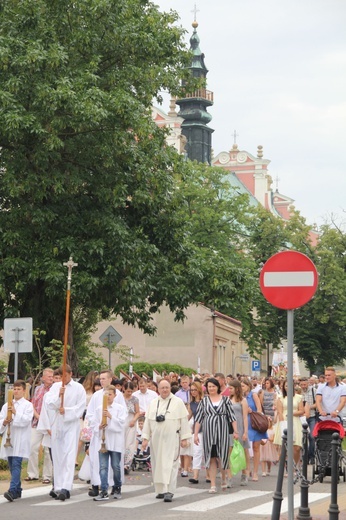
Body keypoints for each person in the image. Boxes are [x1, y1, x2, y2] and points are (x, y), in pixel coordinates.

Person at [141, 379, 191, 503]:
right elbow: (147, 421)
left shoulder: (178, 402)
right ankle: (160, 490)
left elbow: (183, 421)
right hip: (156, 440)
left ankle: (169, 491)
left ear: (170, 388)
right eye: (162, 388)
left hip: (172, 439)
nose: (164, 390)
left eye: (167, 387)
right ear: (158, 389)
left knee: (171, 465)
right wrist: (145, 438)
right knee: (158, 464)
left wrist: (184, 438)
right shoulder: (153, 403)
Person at [44, 365, 86, 501]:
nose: (63, 378)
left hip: (71, 424)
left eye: (65, 376)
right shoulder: (55, 387)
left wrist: (66, 411)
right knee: (57, 455)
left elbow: (81, 407)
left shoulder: (79, 388)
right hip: (57, 424)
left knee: (68, 455)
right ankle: (58, 486)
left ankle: (66, 487)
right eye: (61, 376)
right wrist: (58, 396)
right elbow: (49, 403)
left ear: (70, 374)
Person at [86, 369, 126, 497]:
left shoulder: (118, 395)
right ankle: (99, 486)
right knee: (100, 464)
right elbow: (90, 414)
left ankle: (115, 485)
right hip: (101, 436)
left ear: (110, 379)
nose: (101, 381)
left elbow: (121, 417)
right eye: (100, 379)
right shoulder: (97, 395)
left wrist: (110, 419)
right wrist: (98, 425)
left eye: (104, 378)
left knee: (115, 465)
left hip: (114, 436)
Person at [194, 377, 238, 493]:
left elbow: (232, 417)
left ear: (218, 387)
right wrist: (195, 434)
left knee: (222, 457)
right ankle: (213, 484)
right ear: (207, 388)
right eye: (209, 387)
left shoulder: (225, 400)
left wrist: (235, 431)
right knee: (211, 458)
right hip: (209, 432)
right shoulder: (204, 401)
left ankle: (223, 477)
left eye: (213, 386)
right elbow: (198, 419)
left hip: (222, 431)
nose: (211, 388)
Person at [0, 380, 34, 502]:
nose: (16, 391)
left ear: (24, 391)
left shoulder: (28, 405)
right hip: (10, 438)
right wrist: (4, 422)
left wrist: (15, 413)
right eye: (14, 389)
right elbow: (1, 421)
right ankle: (18, 489)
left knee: (16, 464)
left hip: (21, 439)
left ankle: (12, 490)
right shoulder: (6, 405)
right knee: (11, 465)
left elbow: (26, 420)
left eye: (19, 389)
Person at [25, 368, 54, 484]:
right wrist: (37, 416)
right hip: (36, 422)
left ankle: (47, 475)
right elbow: (32, 404)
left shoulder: (54, 390)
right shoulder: (37, 389)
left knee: (48, 450)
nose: (51, 379)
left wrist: (46, 420)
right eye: (49, 377)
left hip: (49, 424)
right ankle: (32, 473)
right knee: (32, 447)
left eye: (52, 377)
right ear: (43, 378)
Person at [241, 377, 267, 481]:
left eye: (243, 386)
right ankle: (247, 469)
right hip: (244, 423)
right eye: (241, 386)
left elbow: (259, 409)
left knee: (256, 447)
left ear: (248, 386)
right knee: (245, 448)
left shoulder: (254, 395)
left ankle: (255, 472)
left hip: (254, 422)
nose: (241, 388)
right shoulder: (239, 397)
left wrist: (251, 411)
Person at [273, 379, 304, 465]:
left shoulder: (298, 397)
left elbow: (301, 411)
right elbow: (280, 412)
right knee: (286, 446)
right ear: (283, 387)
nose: (288, 387)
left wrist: (292, 413)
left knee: (296, 447)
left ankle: (294, 465)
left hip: (295, 421)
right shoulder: (280, 397)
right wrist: (283, 424)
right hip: (284, 420)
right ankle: (287, 467)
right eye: (286, 386)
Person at [228, 379, 250, 486]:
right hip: (230, 427)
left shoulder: (243, 400)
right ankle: (229, 476)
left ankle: (244, 474)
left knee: (242, 451)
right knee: (230, 451)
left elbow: (245, 417)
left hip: (240, 427)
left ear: (237, 389)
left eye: (231, 388)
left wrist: (245, 432)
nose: (229, 390)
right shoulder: (228, 399)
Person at [188, 381, 204, 484]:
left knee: (208, 453)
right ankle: (195, 476)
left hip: (207, 429)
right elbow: (188, 416)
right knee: (197, 452)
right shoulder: (192, 404)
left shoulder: (205, 401)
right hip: (197, 430)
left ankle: (208, 475)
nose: (193, 392)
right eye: (191, 390)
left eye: (195, 390)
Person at [123, 381, 140, 473]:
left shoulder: (135, 399)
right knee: (121, 442)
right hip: (122, 421)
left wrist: (134, 420)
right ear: (124, 389)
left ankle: (127, 464)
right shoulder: (119, 398)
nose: (129, 393)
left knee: (129, 443)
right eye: (128, 391)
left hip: (131, 421)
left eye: (131, 391)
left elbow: (137, 412)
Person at [299, 377, 317, 463]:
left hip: (312, 416)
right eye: (301, 385)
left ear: (308, 383)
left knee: (312, 437)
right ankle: (304, 456)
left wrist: (308, 407)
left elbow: (318, 403)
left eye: (304, 384)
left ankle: (312, 456)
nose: (303, 386)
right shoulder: (298, 391)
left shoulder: (313, 390)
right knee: (303, 437)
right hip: (302, 417)